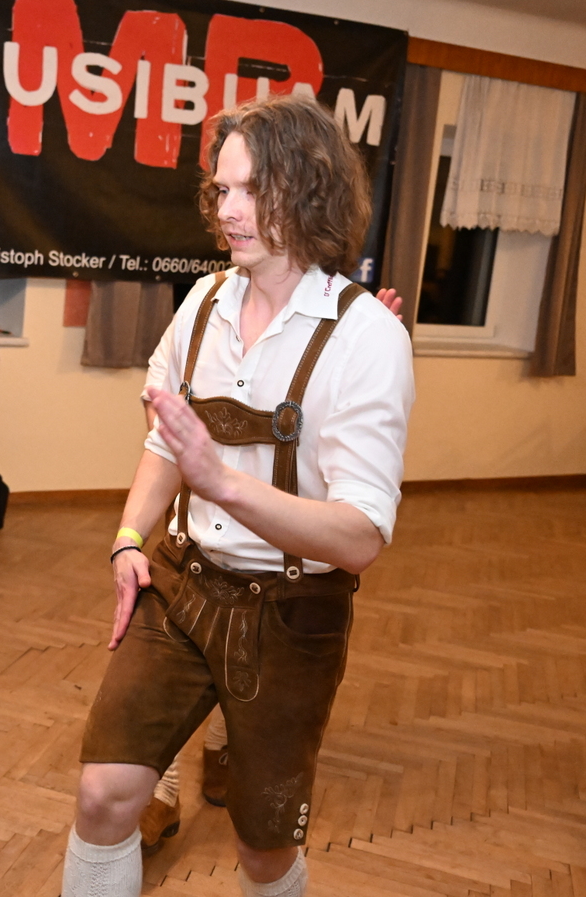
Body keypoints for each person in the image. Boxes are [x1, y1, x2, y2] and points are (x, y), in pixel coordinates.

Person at [63, 94, 414, 897]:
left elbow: (360, 537)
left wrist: (221, 480)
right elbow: (166, 443)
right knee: (102, 795)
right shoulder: (203, 304)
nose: (228, 210)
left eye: (253, 189)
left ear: (312, 187)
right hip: (183, 585)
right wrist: (129, 537)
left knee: (262, 850)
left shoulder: (367, 338)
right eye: (222, 190)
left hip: (292, 618)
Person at [134, 289, 406, 855]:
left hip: (284, 575)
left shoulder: (357, 330)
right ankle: (163, 788)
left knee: (243, 668)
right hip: (195, 550)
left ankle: (220, 748)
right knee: (159, 690)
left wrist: (357, 351)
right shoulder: (206, 304)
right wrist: (132, 532)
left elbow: (356, 516)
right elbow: (161, 420)